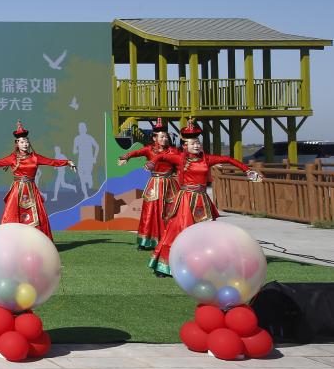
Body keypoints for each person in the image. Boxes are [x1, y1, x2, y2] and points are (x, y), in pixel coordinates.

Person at [149, 122, 262, 277]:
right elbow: (161, 155)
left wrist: (247, 170)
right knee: (179, 232)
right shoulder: (179, 158)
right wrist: (152, 162)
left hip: (202, 200)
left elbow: (228, 159)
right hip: (186, 200)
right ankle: (165, 266)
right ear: (185, 146)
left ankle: (203, 265)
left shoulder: (206, 159)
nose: (196, 145)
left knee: (206, 234)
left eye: (198, 143)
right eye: (193, 143)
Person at [0, 121, 75, 240]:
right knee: (12, 215)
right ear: (17, 144)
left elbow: (52, 161)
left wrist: (68, 162)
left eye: (26, 142)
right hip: (17, 191)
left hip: (31, 191)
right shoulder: (13, 158)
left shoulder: (35, 157)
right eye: (22, 142)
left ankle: (38, 241)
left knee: (38, 216)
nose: (25, 144)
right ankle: (11, 241)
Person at [116, 117, 182, 250]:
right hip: (155, 184)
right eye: (162, 137)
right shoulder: (149, 149)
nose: (165, 139)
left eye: (166, 137)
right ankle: (145, 242)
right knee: (150, 212)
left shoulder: (174, 151)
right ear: (154, 138)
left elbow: (181, 162)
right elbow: (136, 152)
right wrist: (126, 157)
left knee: (169, 212)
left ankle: (168, 240)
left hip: (169, 185)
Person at [73, 122, 100, 198]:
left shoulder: (89, 138)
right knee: (82, 178)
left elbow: (97, 146)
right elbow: (74, 151)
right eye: (80, 128)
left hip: (89, 160)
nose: (81, 129)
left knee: (87, 177)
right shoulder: (77, 139)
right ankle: (85, 195)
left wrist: (94, 158)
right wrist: (77, 151)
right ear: (79, 130)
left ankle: (89, 179)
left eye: (83, 128)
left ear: (86, 129)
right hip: (81, 161)